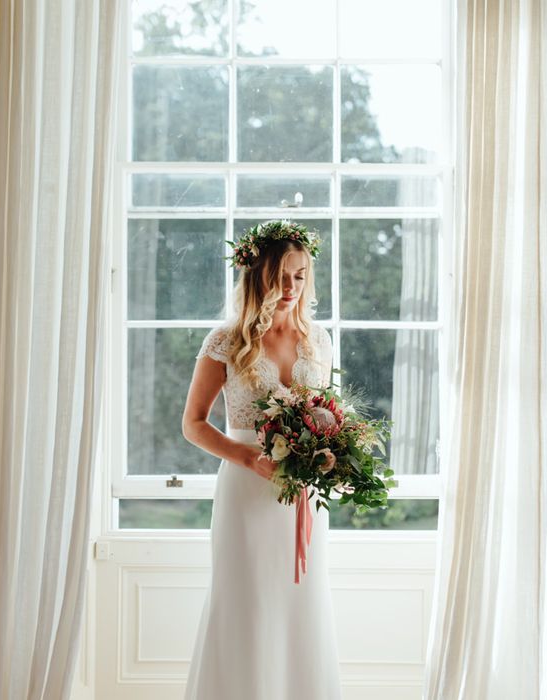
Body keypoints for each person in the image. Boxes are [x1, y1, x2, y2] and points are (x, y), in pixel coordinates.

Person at [181, 220, 342, 699]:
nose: (290, 287)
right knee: (246, 602)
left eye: (299, 275)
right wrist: (247, 459)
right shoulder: (228, 340)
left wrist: (328, 454)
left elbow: (325, 415)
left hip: (301, 497)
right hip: (247, 490)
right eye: (280, 275)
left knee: (301, 602)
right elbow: (193, 423)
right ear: (257, 277)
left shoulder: (319, 339)